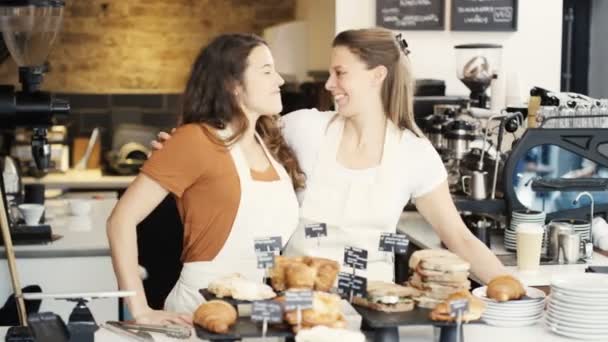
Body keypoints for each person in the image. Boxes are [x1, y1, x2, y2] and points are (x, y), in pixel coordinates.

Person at [154, 28, 507, 286]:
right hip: (290, 306)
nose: (328, 84)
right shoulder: (302, 128)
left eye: (340, 73)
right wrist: (177, 150)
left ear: (377, 77)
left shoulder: (415, 154)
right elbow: (226, 141)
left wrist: (513, 289)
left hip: (373, 312)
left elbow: (459, 239)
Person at [107, 33, 303, 326]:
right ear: (233, 85)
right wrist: (140, 308)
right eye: (266, 71)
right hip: (198, 312)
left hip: (260, 313)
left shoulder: (271, 145)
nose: (280, 80)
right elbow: (120, 220)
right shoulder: (194, 140)